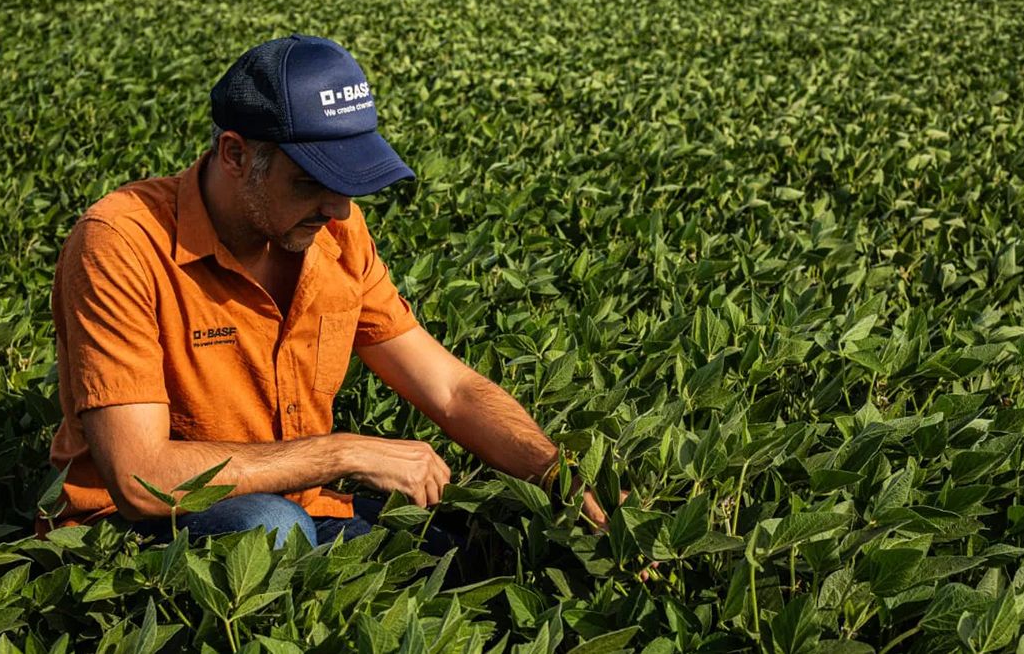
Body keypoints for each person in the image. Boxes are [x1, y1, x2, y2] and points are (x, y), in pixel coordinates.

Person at [38, 34, 611, 555]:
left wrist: (557, 476)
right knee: (271, 530)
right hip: (134, 533)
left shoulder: (335, 231)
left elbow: (452, 391)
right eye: (310, 183)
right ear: (235, 154)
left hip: (309, 507)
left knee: (491, 541)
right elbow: (145, 478)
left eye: (348, 183)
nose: (338, 209)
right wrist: (344, 452)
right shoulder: (121, 243)